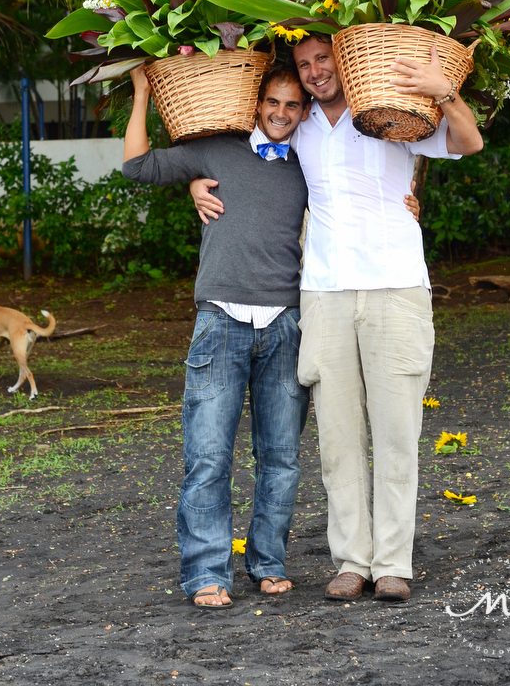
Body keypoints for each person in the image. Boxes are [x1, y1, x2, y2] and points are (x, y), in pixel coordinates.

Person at [192, 34, 483, 604]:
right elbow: (234, 155)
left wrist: (443, 91)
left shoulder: (390, 111)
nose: (315, 71)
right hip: (323, 293)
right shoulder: (297, 126)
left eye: (323, 58)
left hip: (397, 286)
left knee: (398, 433)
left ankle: (393, 562)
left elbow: (468, 142)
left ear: (346, 58)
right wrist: (194, 184)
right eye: (304, 66)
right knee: (337, 438)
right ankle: (352, 560)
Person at [122, 62, 312, 608]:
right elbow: (137, 165)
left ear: (304, 112)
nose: (280, 113)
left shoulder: (310, 164)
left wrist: (409, 202)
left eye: (292, 105)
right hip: (220, 323)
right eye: (272, 102)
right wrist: (141, 91)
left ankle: (268, 561)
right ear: (256, 103)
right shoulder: (216, 148)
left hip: (285, 324)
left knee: (281, 457)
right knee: (208, 455)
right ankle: (206, 572)